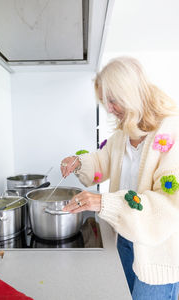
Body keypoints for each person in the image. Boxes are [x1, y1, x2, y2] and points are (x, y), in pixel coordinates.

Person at [60, 56, 179, 300]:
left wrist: (104, 202)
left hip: (157, 252)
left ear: (131, 93)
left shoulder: (171, 132)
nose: (109, 109)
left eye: (113, 100)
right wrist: (79, 162)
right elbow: (102, 163)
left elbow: (167, 205)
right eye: (105, 102)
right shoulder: (122, 135)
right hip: (125, 240)